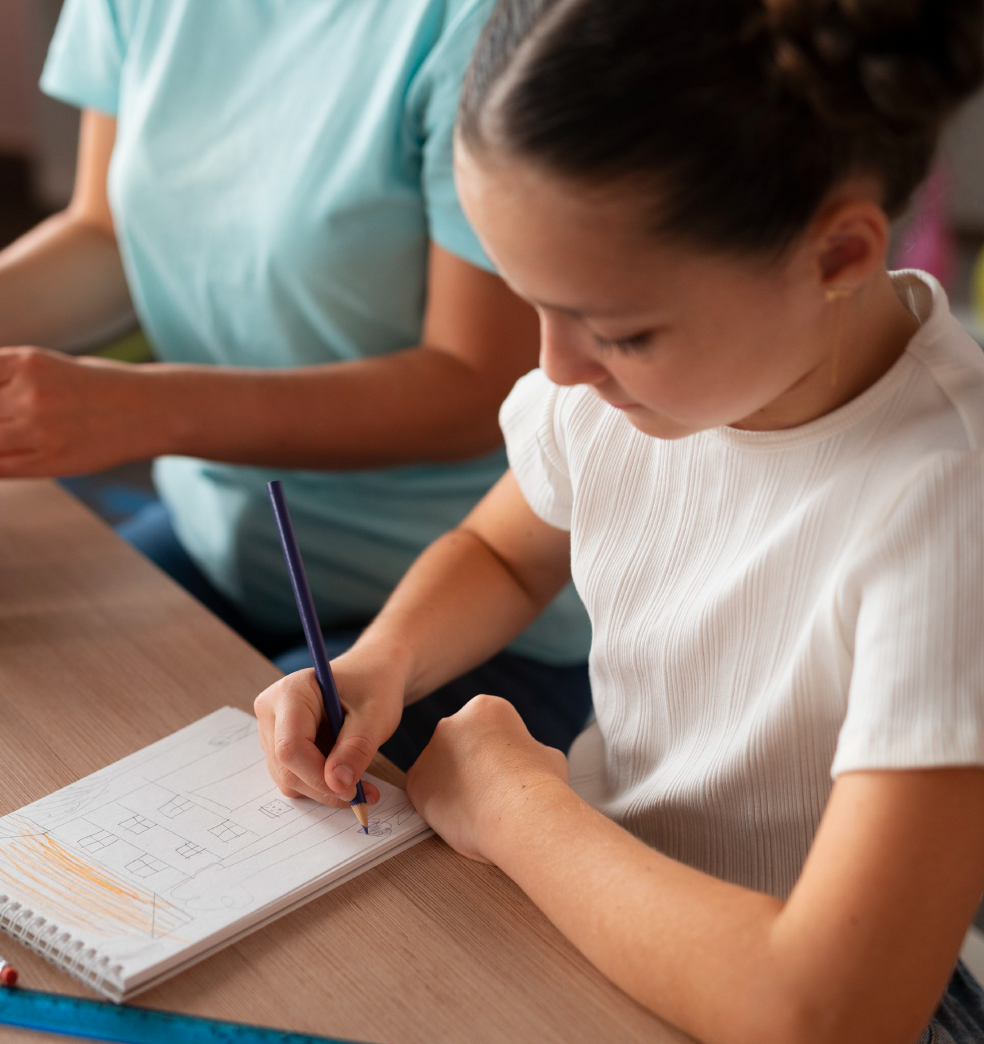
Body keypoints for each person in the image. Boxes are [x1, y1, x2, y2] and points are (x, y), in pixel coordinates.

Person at [255, 0, 984, 1040]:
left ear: (837, 256)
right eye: (532, 301)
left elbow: (832, 1008)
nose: (555, 366)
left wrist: (518, 809)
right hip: (609, 882)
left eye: (619, 330)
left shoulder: (950, 502)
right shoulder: (622, 389)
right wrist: (385, 664)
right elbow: (504, 553)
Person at [0, 0, 592, 769]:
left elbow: (478, 385)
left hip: (456, 603)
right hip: (218, 534)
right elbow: (107, 230)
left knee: (240, 805)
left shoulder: (484, 23)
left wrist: (151, 410)